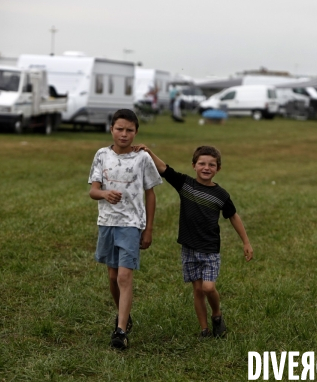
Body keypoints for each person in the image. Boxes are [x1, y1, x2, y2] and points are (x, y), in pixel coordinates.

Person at [133, 144, 253, 338]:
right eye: (202, 163)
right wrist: (148, 152)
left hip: (210, 249)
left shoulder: (221, 195)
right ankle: (204, 329)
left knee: (208, 287)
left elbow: (233, 216)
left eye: (212, 165)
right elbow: (165, 169)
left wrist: (246, 242)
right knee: (197, 290)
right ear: (194, 166)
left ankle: (216, 314)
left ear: (218, 169)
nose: (206, 168)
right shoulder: (185, 184)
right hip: (189, 248)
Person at [88, 109, 162, 350]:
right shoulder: (101, 155)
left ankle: (120, 331)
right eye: (119, 129)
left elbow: (150, 194)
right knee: (112, 277)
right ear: (111, 129)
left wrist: (148, 228)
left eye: (129, 130)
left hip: (131, 224)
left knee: (124, 276)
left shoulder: (142, 158)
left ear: (136, 132)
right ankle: (124, 315)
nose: (124, 134)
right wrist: (104, 193)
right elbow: (93, 190)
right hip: (107, 222)